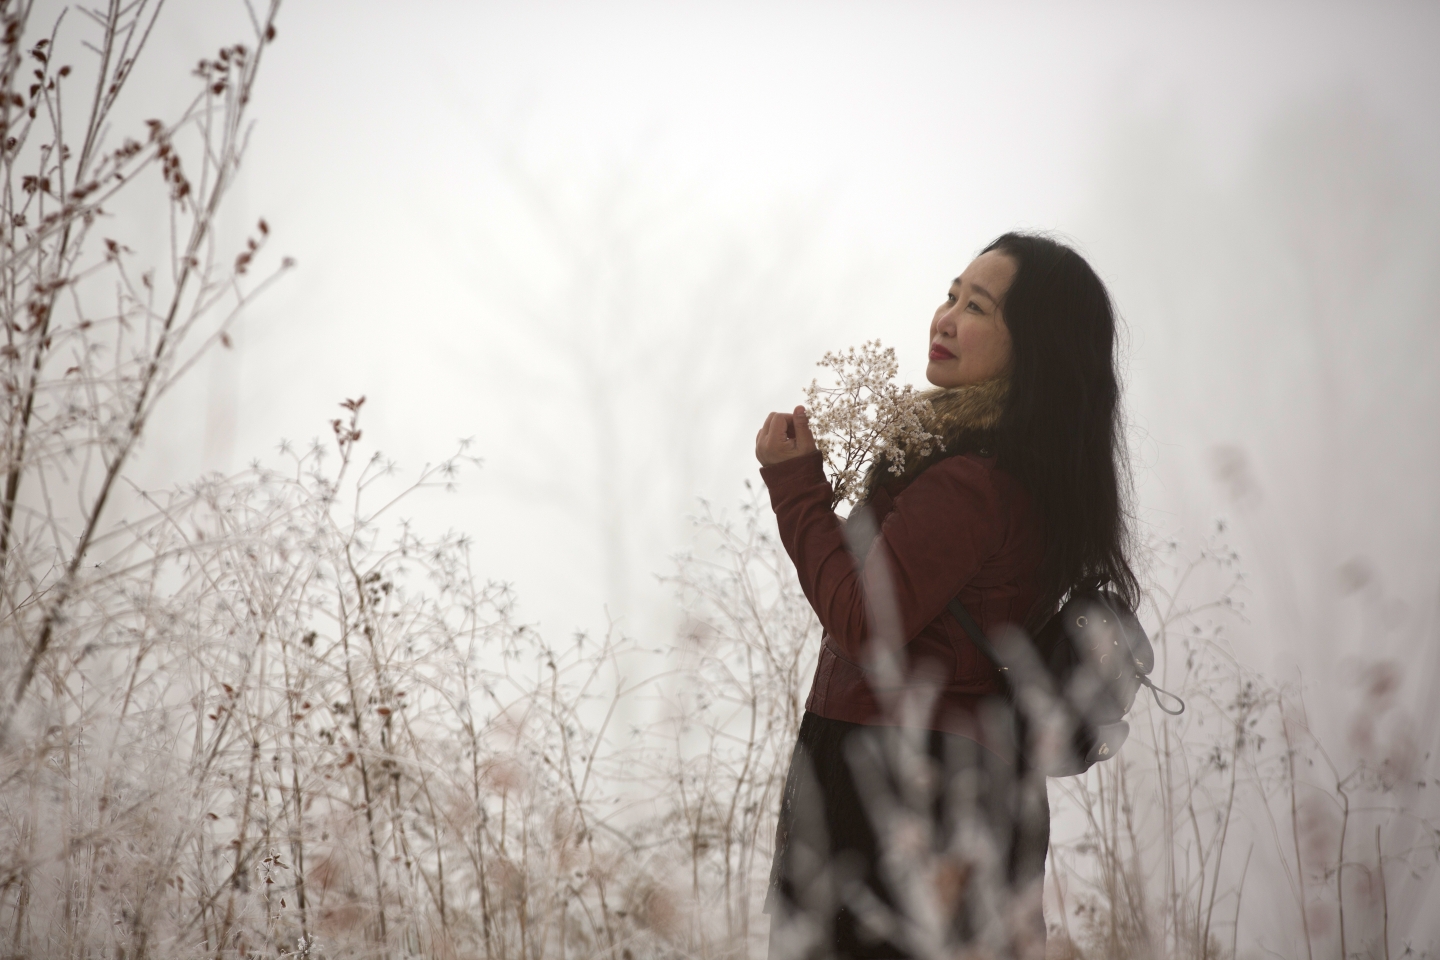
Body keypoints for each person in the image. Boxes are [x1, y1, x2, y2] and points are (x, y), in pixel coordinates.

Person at [754, 232, 1139, 960]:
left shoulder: (972, 482)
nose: (947, 316)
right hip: (964, 782)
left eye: (980, 307)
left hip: (894, 783)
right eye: (952, 294)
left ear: (1036, 346)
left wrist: (796, 488)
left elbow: (867, 622)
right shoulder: (1026, 477)